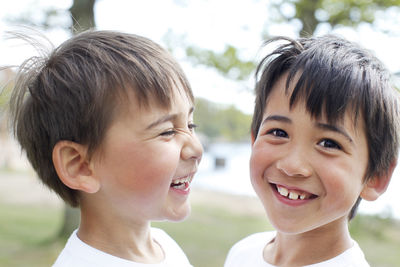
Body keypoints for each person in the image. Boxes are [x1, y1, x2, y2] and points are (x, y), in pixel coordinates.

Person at [9, 30, 203, 267]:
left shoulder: (164, 246)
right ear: (80, 166)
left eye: (190, 125)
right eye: (167, 131)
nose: (196, 148)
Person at [224, 35, 399, 266]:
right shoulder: (243, 252)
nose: (292, 165)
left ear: (376, 177)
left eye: (329, 143)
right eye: (278, 133)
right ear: (254, 140)